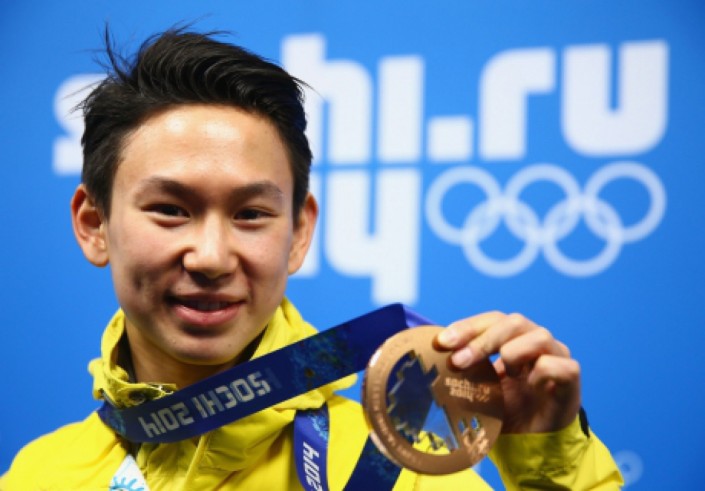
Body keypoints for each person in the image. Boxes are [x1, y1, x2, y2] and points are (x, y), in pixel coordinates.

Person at [1, 27, 623, 490]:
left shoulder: (395, 466)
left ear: (299, 233)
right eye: (170, 209)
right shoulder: (38, 475)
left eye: (251, 214)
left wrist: (551, 466)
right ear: (94, 224)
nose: (212, 257)